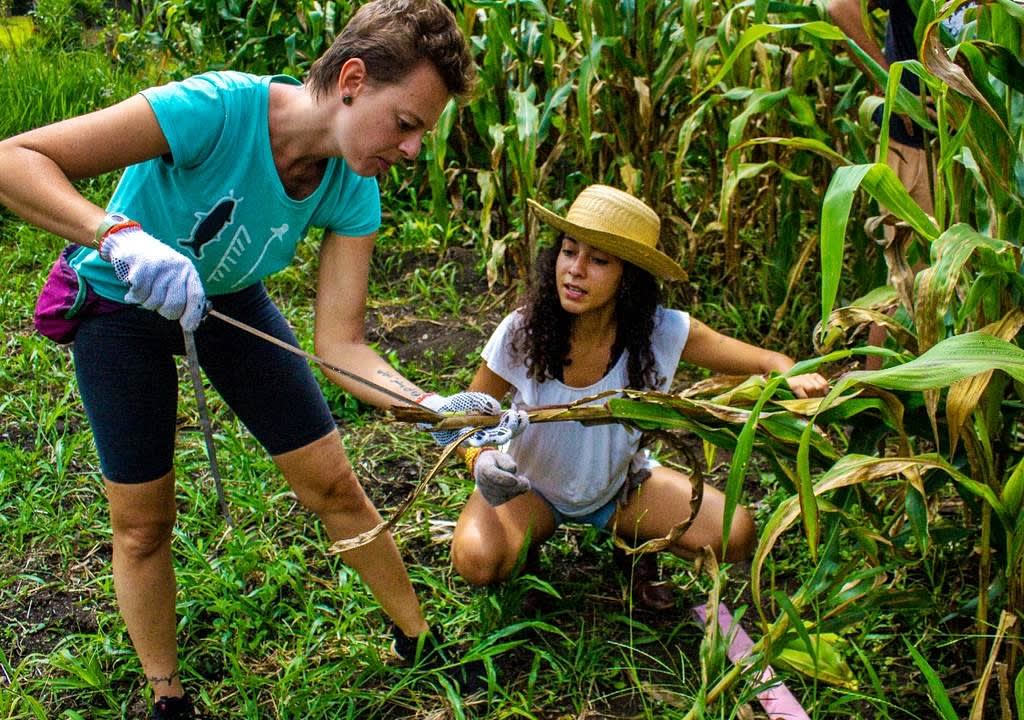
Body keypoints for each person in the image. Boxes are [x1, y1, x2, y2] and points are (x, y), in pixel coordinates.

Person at [0, 1, 522, 717]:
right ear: (353, 79)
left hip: (225, 301)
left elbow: (342, 346)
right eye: (406, 123)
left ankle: (418, 640)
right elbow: (14, 159)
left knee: (333, 484)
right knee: (144, 522)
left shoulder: (350, 186)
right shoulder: (211, 110)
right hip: (119, 302)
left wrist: (430, 407)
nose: (411, 150)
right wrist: (117, 235)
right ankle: (168, 698)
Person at [449, 185, 830, 610]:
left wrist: (792, 374)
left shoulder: (661, 331)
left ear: (627, 277)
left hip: (620, 489)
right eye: (569, 251)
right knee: (477, 561)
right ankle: (528, 558)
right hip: (529, 489)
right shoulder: (523, 331)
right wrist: (480, 460)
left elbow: (764, 359)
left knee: (734, 533)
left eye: (598, 260)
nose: (575, 270)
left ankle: (633, 548)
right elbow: (466, 415)